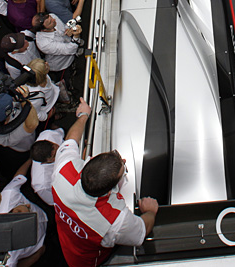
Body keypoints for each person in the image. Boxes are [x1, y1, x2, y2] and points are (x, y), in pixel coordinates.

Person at [52, 98, 158, 267]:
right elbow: (141, 232)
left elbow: (71, 140)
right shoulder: (114, 221)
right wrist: (151, 212)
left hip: (64, 238)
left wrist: (83, 115)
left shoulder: (63, 171)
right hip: (86, 260)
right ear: (111, 189)